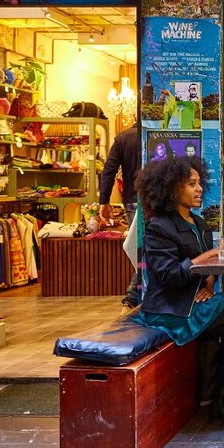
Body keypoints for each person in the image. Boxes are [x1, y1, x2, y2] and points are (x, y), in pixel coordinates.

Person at [133, 156, 224, 425]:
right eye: (191, 184)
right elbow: (169, 276)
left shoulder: (200, 224)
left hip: (196, 303)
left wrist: (209, 284)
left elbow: (208, 269)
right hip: (171, 310)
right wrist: (206, 257)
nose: (199, 189)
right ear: (171, 188)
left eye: (200, 183)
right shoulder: (159, 227)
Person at [98, 126, 142, 311]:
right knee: (145, 249)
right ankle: (132, 297)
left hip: (132, 199)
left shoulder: (123, 138)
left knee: (141, 248)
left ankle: (133, 298)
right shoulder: (157, 132)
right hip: (156, 199)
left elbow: (109, 169)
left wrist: (104, 200)